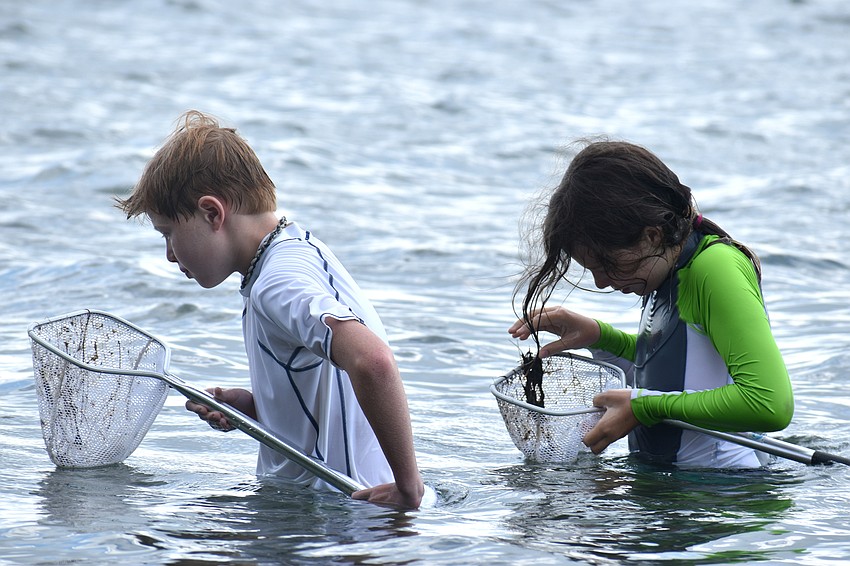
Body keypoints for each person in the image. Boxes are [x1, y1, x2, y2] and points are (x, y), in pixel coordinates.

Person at [116, 110, 424, 508]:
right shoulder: (290, 252)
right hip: (335, 511)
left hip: (341, 518)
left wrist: (407, 486)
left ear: (212, 213)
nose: (170, 255)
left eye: (169, 233)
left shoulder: (276, 283)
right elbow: (329, 397)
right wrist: (257, 409)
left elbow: (374, 361)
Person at [509, 140, 794, 468]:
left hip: (728, 499)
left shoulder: (715, 268)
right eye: (593, 271)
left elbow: (769, 404)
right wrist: (601, 337)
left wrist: (644, 407)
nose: (602, 282)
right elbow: (678, 377)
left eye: (608, 265)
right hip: (678, 497)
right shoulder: (665, 272)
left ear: (652, 236)